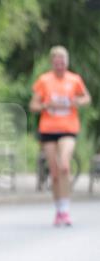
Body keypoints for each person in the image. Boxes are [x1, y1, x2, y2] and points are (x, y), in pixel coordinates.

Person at [29, 46, 91, 227]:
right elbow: (33, 105)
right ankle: (59, 209)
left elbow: (86, 98)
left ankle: (66, 209)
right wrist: (46, 105)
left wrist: (75, 101)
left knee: (64, 165)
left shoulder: (74, 80)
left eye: (63, 62)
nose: (60, 66)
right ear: (52, 63)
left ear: (67, 63)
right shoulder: (44, 80)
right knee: (55, 172)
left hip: (68, 128)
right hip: (48, 129)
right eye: (56, 63)